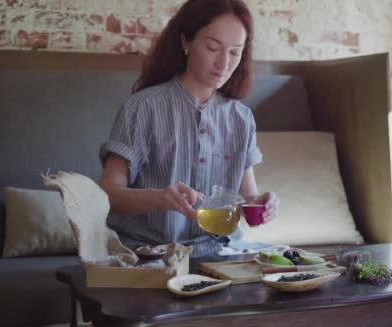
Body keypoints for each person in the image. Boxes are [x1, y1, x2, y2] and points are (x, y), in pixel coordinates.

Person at [99, 0, 280, 257]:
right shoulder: (143, 108)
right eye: (212, 47)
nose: (223, 63)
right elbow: (107, 195)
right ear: (185, 42)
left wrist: (261, 205)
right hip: (148, 255)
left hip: (218, 254)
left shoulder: (241, 118)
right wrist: (159, 197)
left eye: (234, 52)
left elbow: (248, 194)